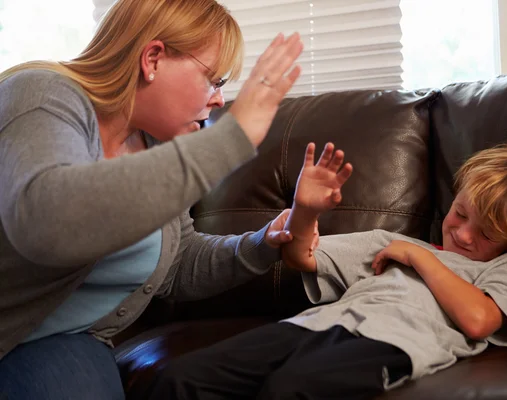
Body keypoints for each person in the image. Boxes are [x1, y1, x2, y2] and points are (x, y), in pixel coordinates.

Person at [0, 0, 311, 399]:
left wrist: (262, 243)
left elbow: (177, 263)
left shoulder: (153, 144)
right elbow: (44, 220)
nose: (218, 100)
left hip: (68, 343)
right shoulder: (43, 96)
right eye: (213, 80)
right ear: (152, 59)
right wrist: (232, 138)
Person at [147, 139, 507, 400]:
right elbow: (300, 257)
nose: (465, 235)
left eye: (488, 234)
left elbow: (477, 321)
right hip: (313, 325)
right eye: (460, 213)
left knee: (289, 389)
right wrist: (305, 213)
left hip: (394, 343)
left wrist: (421, 258)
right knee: (180, 379)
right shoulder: (391, 245)